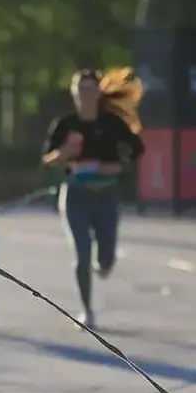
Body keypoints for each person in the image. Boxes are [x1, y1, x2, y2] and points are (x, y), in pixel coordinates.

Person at [42, 68, 145, 329]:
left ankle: (103, 265)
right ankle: (87, 311)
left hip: (106, 196)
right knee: (82, 254)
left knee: (106, 260)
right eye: (80, 90)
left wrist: (116, 166)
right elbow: (48, 160)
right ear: (73, 93)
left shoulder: (110, 123)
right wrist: (65, 151)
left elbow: (136, 148)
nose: (84, 95)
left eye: (89, 90)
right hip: (75, 196)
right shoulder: (65, 125)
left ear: (98, 93)